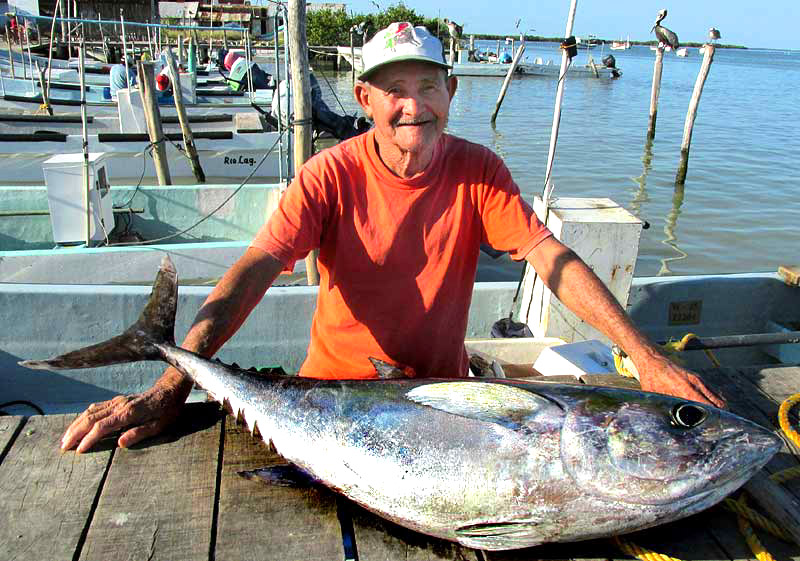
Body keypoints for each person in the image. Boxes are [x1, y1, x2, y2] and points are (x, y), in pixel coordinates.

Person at [60, 22, 725, 453]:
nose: (414, 105)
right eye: (394, 90)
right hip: (327, 406)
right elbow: (259, 265)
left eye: (427, 85)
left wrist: (645, 355)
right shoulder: (328, 176)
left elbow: (548, 257)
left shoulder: (479, 171)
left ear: (452, 91)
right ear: (365, 99)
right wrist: (180, 375)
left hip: (448, 407)